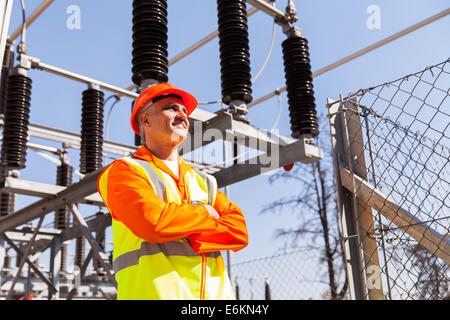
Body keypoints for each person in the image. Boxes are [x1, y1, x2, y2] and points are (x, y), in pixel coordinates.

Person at [97, 82, 248, 300]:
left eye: (184, 111)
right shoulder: (123, 171)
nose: (182, 115)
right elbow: (152, 222)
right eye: (171, 108)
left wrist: (187, 232)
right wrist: (206, 213)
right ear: (145, 120)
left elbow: (239, 231)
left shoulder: (204, 181)